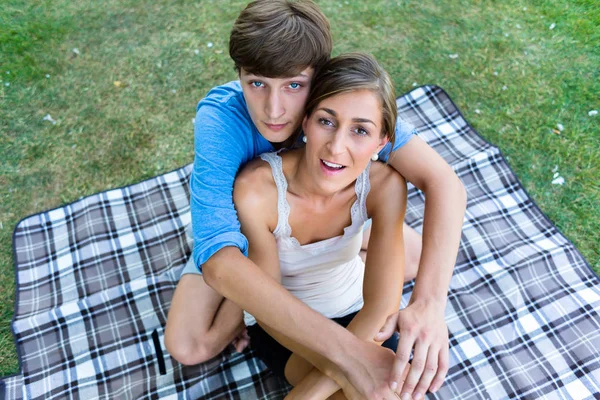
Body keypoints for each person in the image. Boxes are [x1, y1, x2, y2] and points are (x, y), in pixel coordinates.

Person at [164, 1, 466, 398]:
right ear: (238, 75)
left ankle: (342, 243)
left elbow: (444, 181)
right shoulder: (221, 120)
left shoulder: (342, 104)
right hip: (238, 227)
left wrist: (428, 304)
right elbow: (219, 259)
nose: (275, 110)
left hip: (325, 208)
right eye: (256, 83)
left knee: (416, 260)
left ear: (319, 77)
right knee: (190, 344)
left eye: (293, 85)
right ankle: (260, 292)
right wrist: (350, 357)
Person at [234, 52, 407, 399]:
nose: (337, 146)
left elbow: (383, 303)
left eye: (360, 130)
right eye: (327, 121)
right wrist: (343, 368)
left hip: (361, 317)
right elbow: (268, 303)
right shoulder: (258, 190)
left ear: (382, 142)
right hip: (285, 327)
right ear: (306, 120)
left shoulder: (386, 186)